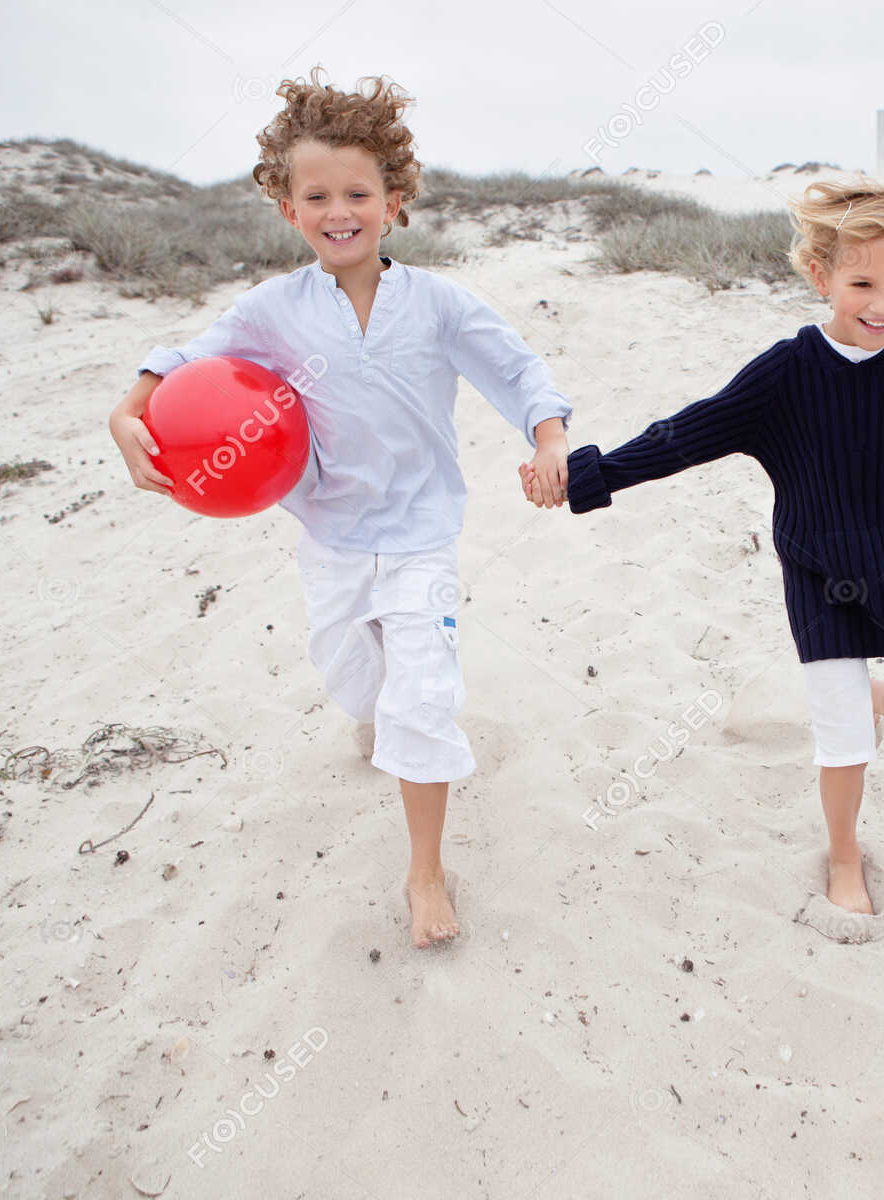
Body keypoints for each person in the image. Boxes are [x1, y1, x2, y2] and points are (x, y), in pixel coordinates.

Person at [521, 176, 884, 917]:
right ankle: (844, 854)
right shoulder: (786, 375)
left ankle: (872, 693)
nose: (883, 303)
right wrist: (587, 477)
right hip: (822, 573)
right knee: (845, 745)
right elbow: (687, 434)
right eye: (862, 281)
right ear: (820, 276)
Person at [107, 70, 573, 948]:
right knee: (353, 678)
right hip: (329, 534)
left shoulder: (436, 304)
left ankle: (425, 870)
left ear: (393, 201)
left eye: (357, 193)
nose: (338, 210)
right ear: (288, 209)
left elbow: (516, 369)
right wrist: (128, 407)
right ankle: (377, 706)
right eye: (315, 195)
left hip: (422, 534)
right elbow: (189, 357)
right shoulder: (275, 312)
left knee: (421, 697)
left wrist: (548, 437)